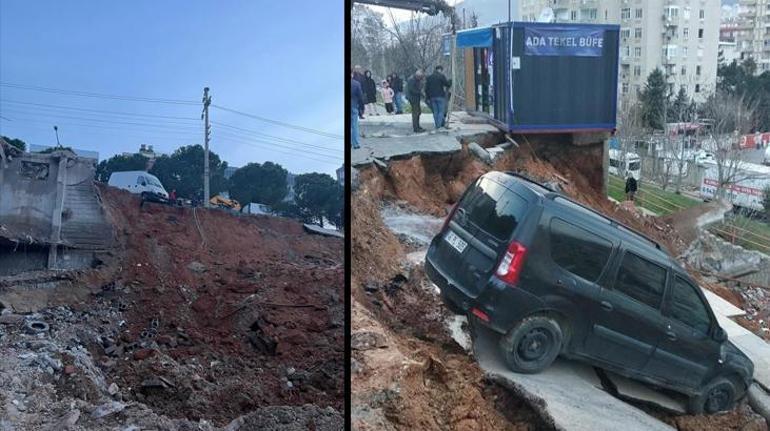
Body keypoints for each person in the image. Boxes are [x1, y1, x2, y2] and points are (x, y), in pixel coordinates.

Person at [425, 65, 452, 129]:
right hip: (440, 96)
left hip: (432, 97)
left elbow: (426, 89)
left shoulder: (429, 77)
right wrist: (450, 81)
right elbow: (447, 84)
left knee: (435, 111)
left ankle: (437, 124)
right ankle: (438, 125)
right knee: (441, 111)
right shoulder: (441, 76)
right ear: (440, 70)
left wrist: (428, 97)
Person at [406, 69, 425, 133]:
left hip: (415, 98)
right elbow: (412, 90)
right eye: (421, 77)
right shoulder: (412, 80)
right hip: (413, 98)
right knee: (416, 113)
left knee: (418, 112)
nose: (421, 78)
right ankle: (416, 128)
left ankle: (417, 126)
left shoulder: (415, 79)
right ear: (418, 75)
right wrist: (420, 93)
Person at [351, 69, 364, 149]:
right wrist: (362, 107)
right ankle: (355, 143)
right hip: (353, 106)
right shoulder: (356, 84)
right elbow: (360, 96)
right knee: (354, 125)